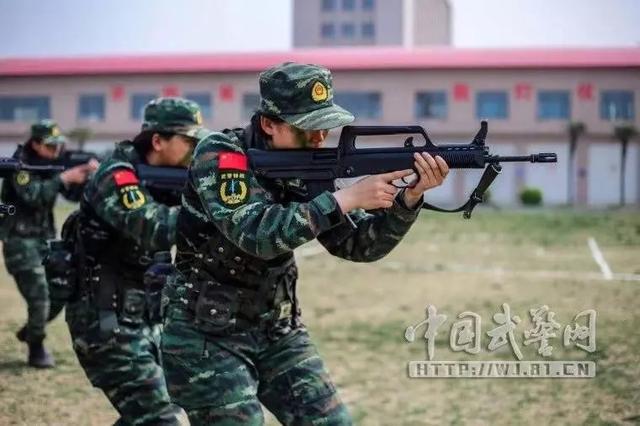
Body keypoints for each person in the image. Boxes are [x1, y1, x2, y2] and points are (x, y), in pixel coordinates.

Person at [161, 62, 450, 425]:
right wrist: (346, 199)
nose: (319, 137)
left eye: (325, 127)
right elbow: (256, 234)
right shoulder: (221, 155)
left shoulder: (303, 166)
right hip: (206, 333)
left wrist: (408, 200)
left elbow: (358, 245)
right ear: (269, 124)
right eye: (307, 128)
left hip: (277, 330)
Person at [65, 97, 208, 425]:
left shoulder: (171, 176)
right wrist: (214, 208)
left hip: (145, 316)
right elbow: (156, 228)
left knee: (149, 413)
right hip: (106, 322)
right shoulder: (116, 176)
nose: (195, 150)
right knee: (162, 418)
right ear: (158, 141)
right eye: (189, 141)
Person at [0, 119, 97, 368]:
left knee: (60, 290)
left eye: (58, 146)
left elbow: (72, 196)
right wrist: (63, 178)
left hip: (45, 241)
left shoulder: (50, 164)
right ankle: (36, 348)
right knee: (40, 297)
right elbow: (33, 196)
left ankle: (32, 330)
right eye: (50, 146)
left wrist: (86, 178)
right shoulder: (19, 167)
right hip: (19, 242)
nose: (56, 151)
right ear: (35, 144)